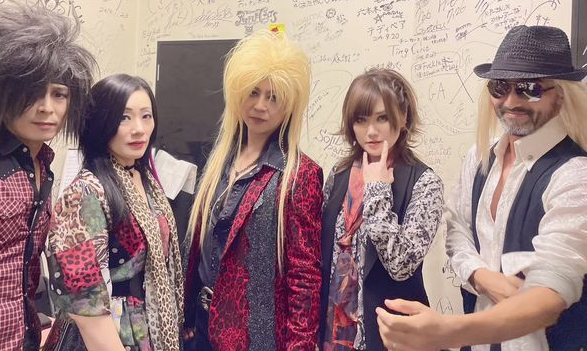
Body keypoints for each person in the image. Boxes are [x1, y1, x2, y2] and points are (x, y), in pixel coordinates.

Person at [376, 25, 587, 351]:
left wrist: (446, 332)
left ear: (560, 95)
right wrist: (484, 278)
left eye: (529, 89)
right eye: (500, 87)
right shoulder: (479, 158)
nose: (511, 101)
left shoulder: (574, 174)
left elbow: (552, 291)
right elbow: (457, 232)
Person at [0, 2, 96, 351]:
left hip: (24, 338)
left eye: (59, 94)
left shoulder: (43, 165)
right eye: (31, 93)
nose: (47, 107)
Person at [183, 30, 324, 351]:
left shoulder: (299, 173)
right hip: (200, 329)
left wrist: (300, 347)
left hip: (252, 338)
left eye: (273, 97)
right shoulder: (219, 160)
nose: (260, 106)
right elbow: (201, 246)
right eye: (253, 92)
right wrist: (187, 314)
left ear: (288, 106)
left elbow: (304, 278)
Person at [44, 74, 183, 351]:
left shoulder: (145, 179)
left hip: (146, 320)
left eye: (146, 116)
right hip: (106, 332)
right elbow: (84, 300)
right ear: (101, 122)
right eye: (124, 118)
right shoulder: (85, 193)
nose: (139, 129)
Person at [319, 68, 444, 351]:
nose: (371, 131)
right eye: (361, 120)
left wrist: (377, 191)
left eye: (382, 118)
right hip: (334, 331)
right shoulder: (339, 175)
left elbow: (401, 265)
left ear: (403, 117)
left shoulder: (424, 182)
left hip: (391, 336)